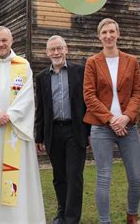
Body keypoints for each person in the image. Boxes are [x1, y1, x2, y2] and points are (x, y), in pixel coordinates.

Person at [0, 26, 45, 224]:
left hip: (15, 131)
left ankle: (19, 219)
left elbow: (27, 96)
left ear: (11, 41)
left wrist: (10, 115)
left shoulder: (23, 64)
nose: (1, 44)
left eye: (4, 40)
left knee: (16, 177)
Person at [83, 18, 140, 224]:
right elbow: (89, 96)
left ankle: (132, 215)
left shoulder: (131, 60)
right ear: (99, 36)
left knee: (136, 178)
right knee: (104, 177)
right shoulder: (92, 62)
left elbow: (137, 92)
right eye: (104, 32)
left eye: (111, 31)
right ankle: (104, 221)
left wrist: (126, 118)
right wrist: (111, 120)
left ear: (118, 34)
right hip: (101, 127)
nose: (108, 36)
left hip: (129, 126)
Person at [35, 35, 90, 224]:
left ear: (66, 49)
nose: (56, 52)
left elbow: (87, 103)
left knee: (74, 175)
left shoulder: (80, 71)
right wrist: (39, 136)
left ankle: (72, 219)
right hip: (53, 132)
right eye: (52, 49)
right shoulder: (42, 77)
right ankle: (62, 212)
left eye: (59, 48)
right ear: (47, 53)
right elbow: (40, 108)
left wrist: (88, 132)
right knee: (59, 176)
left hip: (75, 131)